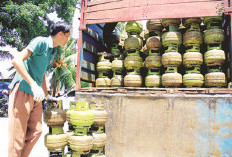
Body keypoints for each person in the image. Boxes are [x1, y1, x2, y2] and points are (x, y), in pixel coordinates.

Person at [8, 21, 70, 157]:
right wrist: (32, 84)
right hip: (23, 89)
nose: (68, 40)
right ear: (60, 34)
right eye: (68, 36)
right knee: (17, 139)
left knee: (37, 131)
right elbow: (17, 60)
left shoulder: (53, 51)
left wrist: (47, 95)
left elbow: (42, 74)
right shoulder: (40, 42)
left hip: (36, 95)